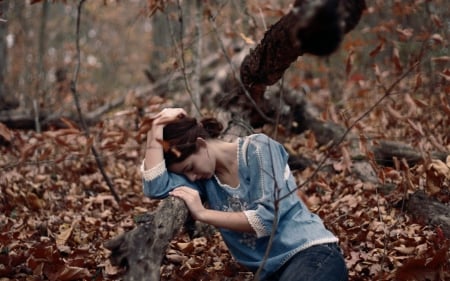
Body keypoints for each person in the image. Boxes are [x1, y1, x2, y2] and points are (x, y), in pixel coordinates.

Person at [141, 108, 348, 281]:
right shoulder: (206, 180)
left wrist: (202, 213)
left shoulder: (260, 149)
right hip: (271, 274)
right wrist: (155, 127)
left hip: (311, 254)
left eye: (190, 167)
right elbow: (155, 186)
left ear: (202, 144)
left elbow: (266, 219)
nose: (192, 177)